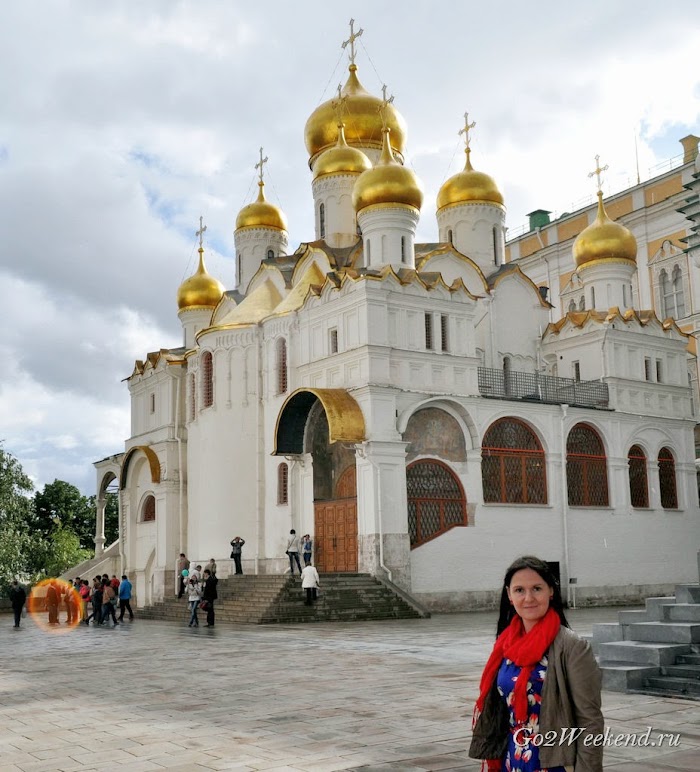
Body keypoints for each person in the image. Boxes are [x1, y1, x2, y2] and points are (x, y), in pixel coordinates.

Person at [469, 555, 604, 772]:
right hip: (511, 758)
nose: (528, 597)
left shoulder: (572, 647)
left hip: (552, 761)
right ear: (509, 596)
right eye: (519, 590)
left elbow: (590, 721)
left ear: (551, 591)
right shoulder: (505, 645)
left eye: (537, 588)